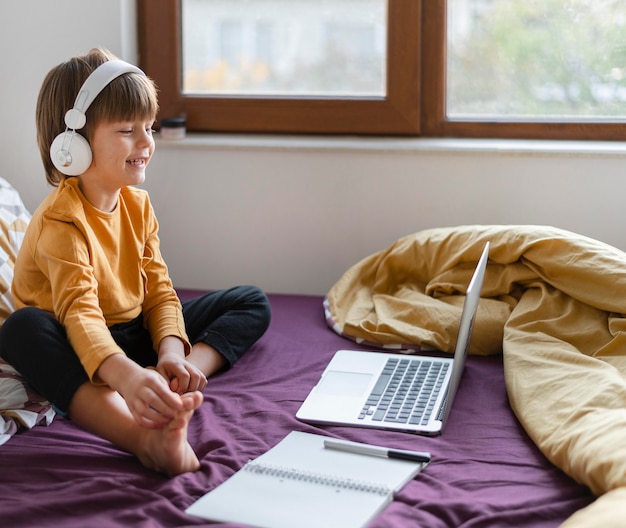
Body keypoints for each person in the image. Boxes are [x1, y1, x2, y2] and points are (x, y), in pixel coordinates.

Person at [0, 48, 271, 476]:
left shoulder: (138, 206)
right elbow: (81, 315)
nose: (147, 142)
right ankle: (140, 436)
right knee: (21, 329)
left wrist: (169, 351)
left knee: (251, 301)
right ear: (72, 144)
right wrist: (125, 377)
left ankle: (170, 382)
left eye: (148, 126)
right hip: (77, 342)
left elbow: (159, 290)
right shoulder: (60, 221)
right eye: (128, 129)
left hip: (130, 336)